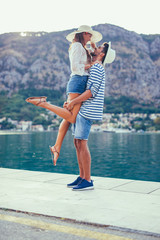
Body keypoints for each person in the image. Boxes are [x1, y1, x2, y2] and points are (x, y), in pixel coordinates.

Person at [26, 25, 102, 166]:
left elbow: (97, 54)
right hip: (78, 81)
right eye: (90, 35)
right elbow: (75, 67)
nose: (91, 38)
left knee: (67, 117)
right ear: (85, 33)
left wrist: (93, 46)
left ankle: (56, 148)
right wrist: (90, 66)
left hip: (79, 82)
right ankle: (43, 103)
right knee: (72, 117)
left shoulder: (82, 47)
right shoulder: (77, 46)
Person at [66, 42, 116, 190]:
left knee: (82, 143)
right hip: (84, 108)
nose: (96, 48)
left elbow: (91, 92)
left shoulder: (97, 68)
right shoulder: (95, 67)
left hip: (87, 110)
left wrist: (73, 102)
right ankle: (82, 177)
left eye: (99, 47)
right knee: (77, 142)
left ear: (102, 54)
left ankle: (87, 180)